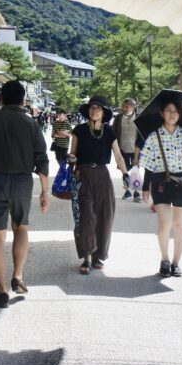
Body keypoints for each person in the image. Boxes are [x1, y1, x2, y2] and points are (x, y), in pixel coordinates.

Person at [0, 80, 50, 308]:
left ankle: (2, 289)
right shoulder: (31, 123)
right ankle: (18, 276)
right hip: (23, 182)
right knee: (21, 228)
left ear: (2, 98)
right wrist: (45, 191)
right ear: (23, 99)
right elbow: (41, 160)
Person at [138, 99, 182, 277]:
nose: (172, 114)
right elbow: (147, 164)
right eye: (168, 110)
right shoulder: (154, 136)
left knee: (180, 225)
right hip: (160, 182)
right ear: (162, 113)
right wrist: (146, 187)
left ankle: (176, 262)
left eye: (176, 111)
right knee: (164, 224)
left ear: (180, 114)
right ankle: (164, 259)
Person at [68, 96, 129, 274]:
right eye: (92, 108)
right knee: (87, 216)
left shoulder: (109, 132)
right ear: (88, 111)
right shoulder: (79, 130)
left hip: (102, 175)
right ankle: (86, 257)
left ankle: (98, 255)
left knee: (105, 216)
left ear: (104, 113)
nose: (94, 110)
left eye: (98, 108)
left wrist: (125, 173)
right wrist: (71, 158)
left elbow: (118, 156)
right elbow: (73, 152)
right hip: (83, 175)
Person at [111, 98, 143, 202]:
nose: (124, 108)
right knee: (124, 171)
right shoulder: (119, 118)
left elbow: (142, 136)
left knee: (136, 171)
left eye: (127, 106)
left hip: (135, 150)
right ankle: (127, 191)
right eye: (123, 106)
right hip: (122, 150)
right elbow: (114, 132)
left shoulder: (139, 118)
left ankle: (137, 192)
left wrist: (138, 153)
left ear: (133, 107)